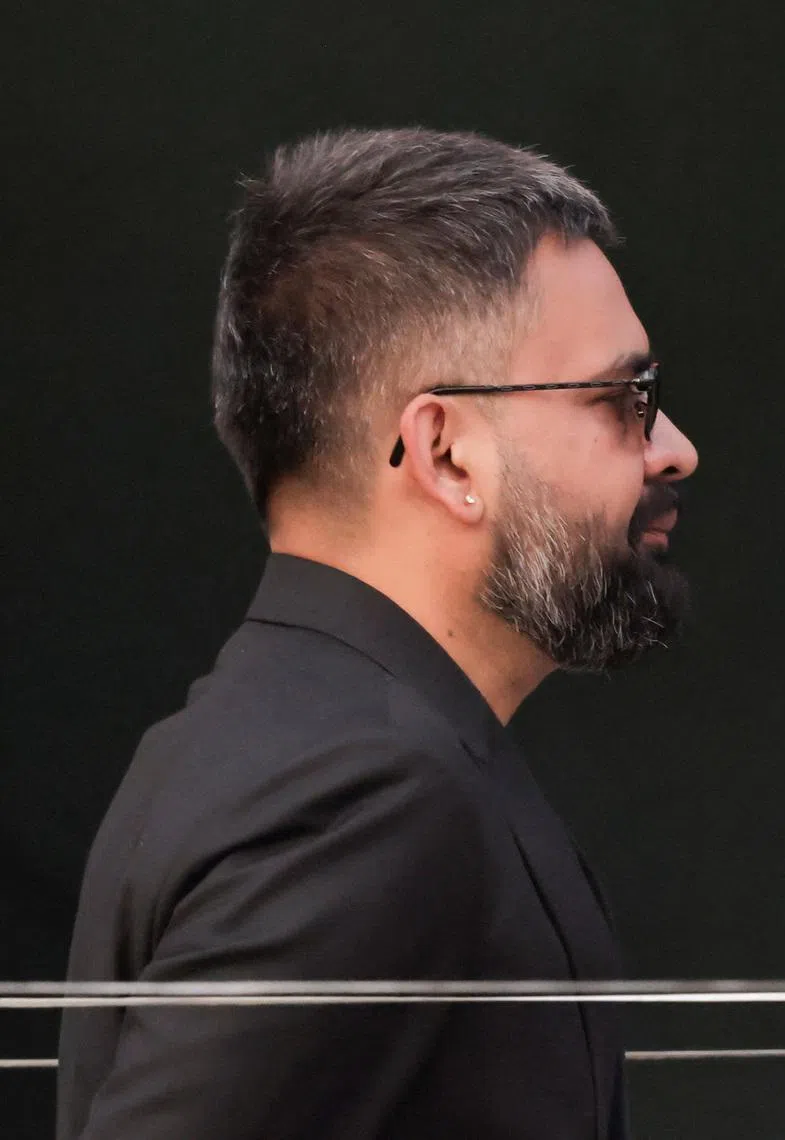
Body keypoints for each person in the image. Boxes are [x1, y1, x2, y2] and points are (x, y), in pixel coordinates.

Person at [56, 127, 699, 1140]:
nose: (675, 449)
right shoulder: (372, 796)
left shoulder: (289, 745)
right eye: (627, 399)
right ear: (445, 452)